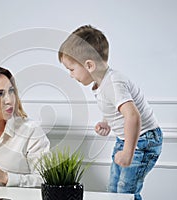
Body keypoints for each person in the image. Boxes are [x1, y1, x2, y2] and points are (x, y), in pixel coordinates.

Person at [58, 25, 162, 200]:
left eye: (71, 69)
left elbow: (132, 116)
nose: (70, 74)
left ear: (89, 65)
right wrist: (106, 122)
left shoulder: (114, 83)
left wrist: (128, 152)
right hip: (127, 139)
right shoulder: (103, 83)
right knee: (113, 189)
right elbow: (116, 106)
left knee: (125, 191)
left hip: (143, 141)